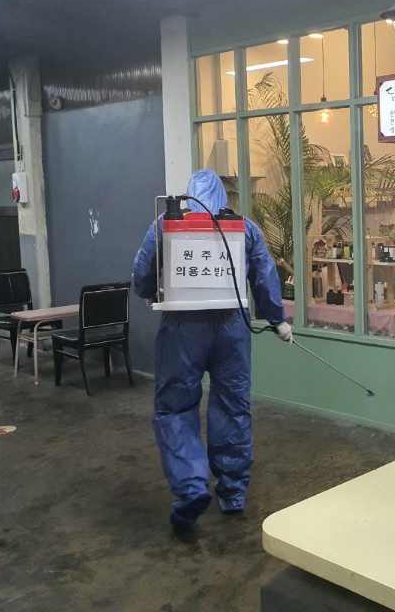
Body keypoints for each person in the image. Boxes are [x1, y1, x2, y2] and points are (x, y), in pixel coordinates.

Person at [133, 169, 293, 530]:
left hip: (182, 329)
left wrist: (147, 292)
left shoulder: (166, 223)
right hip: (231, 329)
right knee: (233, 406)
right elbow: (264, 274)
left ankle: (191, 487)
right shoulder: (244, 227)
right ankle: (233, 493)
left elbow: (143, 270)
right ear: (223, 196)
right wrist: (277, 319)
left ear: (190, 195)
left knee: (176, 408)